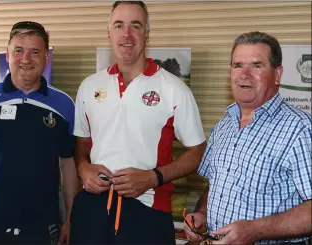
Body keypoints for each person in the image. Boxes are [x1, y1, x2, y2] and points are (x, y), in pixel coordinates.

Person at [70, 1, 207, 244]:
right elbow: (81, 142)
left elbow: (197, 151)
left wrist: (153, 177)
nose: (127, 34)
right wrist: (83, 167)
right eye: (119, 25)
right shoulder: (89, 86)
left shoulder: (174, 89)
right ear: (109, 33)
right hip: (92, 209)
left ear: (146, 34)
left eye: (135, 25)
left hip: (148, 212)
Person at [184, 31, 312, 245]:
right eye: (237, 65)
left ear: (277, 74)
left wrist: (254, 230)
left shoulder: (299, 129)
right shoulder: (224, 125)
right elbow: (217, 184)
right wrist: (203, 214)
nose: (244, 74)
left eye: (256, 65)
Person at [0, 21, 78, 245]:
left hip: (42, 224)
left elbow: (68, 165)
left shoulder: (65, 105)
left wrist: (70, 218)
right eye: (19, 50)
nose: (26, 59)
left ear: (46, 58)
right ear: (8, 53)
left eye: (35, 52)